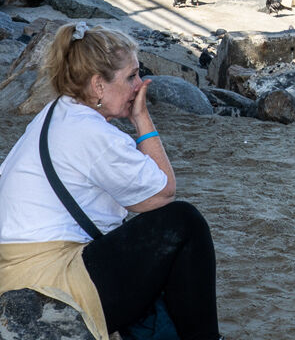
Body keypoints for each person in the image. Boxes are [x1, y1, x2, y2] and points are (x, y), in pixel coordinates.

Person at [0, 22, 220, 340]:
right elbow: (162, 193)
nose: (139, 84)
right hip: (50, 277)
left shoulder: (57, 111)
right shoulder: (93, 133)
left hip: (14, 266)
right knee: (183, 223)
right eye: (131, 76)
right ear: (98, 86)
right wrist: (142, 117)